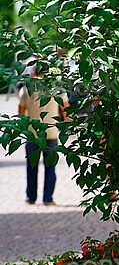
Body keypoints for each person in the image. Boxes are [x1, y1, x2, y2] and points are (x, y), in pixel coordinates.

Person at [18, 67, 69, 205]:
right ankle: (48, 199)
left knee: (31, 167)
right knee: (50, 167)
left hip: (33, 134)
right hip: (51, 133)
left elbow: (21, 114)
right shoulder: (58, 88)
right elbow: (67, 112)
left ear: (33, 73)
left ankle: (31, 198)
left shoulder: (26, 89)